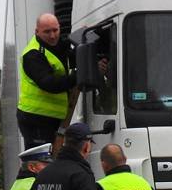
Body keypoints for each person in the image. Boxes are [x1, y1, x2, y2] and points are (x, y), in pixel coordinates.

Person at [17, 13, 108, 149]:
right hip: (35, 119)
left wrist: (93, 59)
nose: (53, 35)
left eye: (55, 30)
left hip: (53, 117)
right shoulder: (32, 54)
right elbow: (50, 84)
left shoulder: (59, 45)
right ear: (37, 32)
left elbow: (74, 57)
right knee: (38, 162)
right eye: (47, 32)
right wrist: (82, 72)